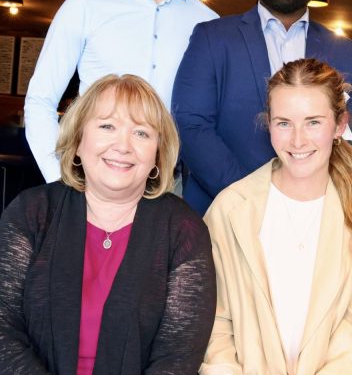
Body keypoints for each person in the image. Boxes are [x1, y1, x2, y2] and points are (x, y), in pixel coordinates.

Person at [0, 74, 216, 373]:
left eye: (141, 133)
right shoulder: (30, 212)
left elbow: (177, 358)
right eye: (107, 126)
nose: (123, 145)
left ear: (157, 154)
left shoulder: (183, 230)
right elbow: (3, 332)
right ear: (77, 141)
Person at [201, 58, 352, 374]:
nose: (298, 140)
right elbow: (215, 321)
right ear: (269, 124)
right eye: (284, 123)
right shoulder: (230, 209)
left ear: (339, 125)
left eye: (313, 122)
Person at [173, 0, 352, 216]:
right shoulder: (212, 38)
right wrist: (248, 197)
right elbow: (191, 124)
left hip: (315, 216)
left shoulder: (345, 52)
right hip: (223, 211)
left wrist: (314, 199)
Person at [24, 0, 218, 183]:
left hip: (171, 188)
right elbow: (40, 101)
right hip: (92, 182)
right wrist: (62, 182)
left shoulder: (208, 23)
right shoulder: (85, 5)